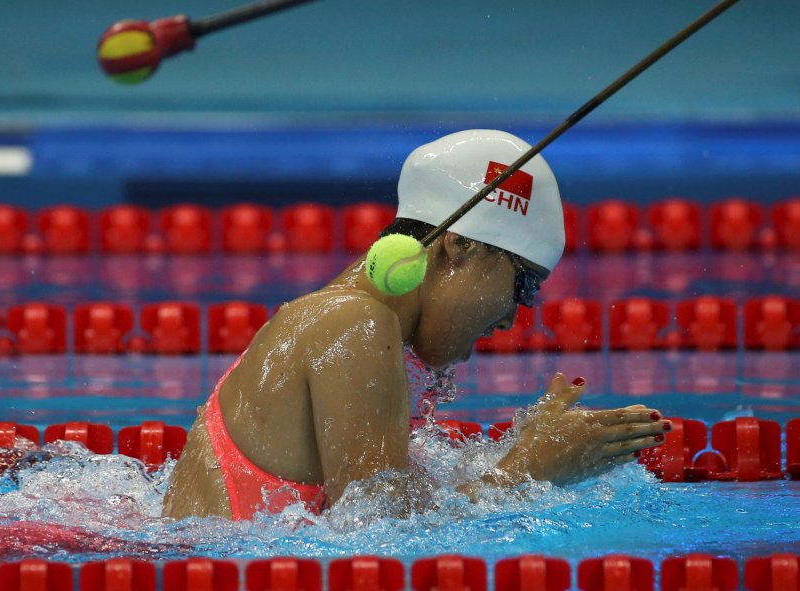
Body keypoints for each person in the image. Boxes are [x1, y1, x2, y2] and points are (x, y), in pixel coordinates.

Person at [162, 130, 670, 520]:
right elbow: (380, 533)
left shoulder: (339, 318)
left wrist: (520, 451)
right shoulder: (354, 323)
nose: (514, 315)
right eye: (522, 285)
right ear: (459, 245)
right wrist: (531, 469)